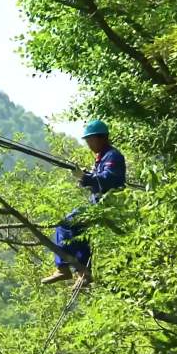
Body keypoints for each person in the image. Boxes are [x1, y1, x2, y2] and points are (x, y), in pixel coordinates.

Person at [41, 120, 126, 287]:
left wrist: (86, 178)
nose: (89, 144)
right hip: (97, 204)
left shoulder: (113, 156)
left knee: (70, 224)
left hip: (106, 205)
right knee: (65, 224)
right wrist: (85, 178)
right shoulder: (101, 157)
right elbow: (96, 179)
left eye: (90, 140)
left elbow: (109, 179)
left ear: (102, 138)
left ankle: (82, 272)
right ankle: (63, 268)